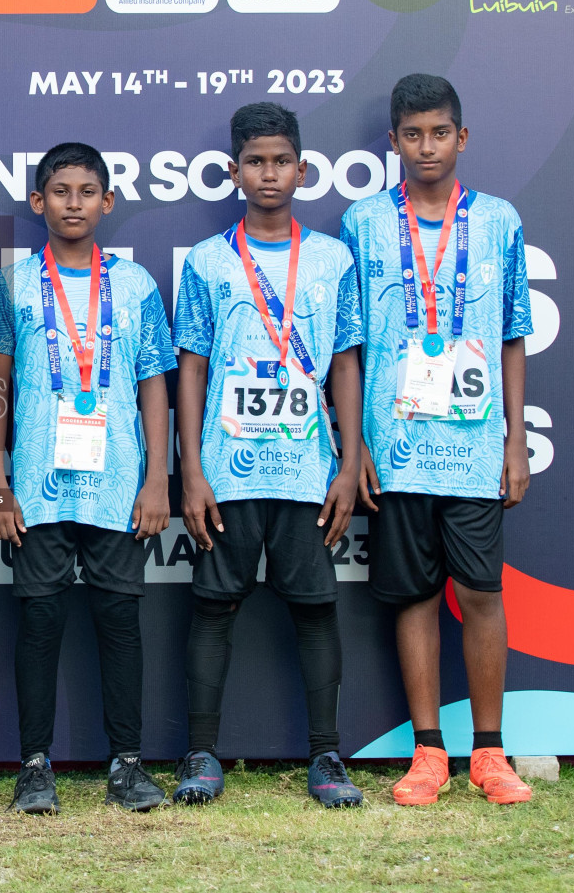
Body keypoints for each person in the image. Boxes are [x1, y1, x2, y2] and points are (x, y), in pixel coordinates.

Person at [341, 74, 534, 805]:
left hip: (475, 446)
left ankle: (491, 754)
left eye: (440, 132)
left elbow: (513, 335)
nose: (427, 146)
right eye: (412, 134)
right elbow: (350, 347)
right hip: (395, 450)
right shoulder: (362, 222)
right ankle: (429, 753)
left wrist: (514, 440)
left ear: (462, 136)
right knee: (414, 598)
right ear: (392, 141)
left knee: (482, 593)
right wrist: (356, 443)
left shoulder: (498, 221)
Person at [173, 103, 366, 808]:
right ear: (233, 172)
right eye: (254, 161)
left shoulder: (332, 258)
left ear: (303, 170)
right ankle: (201, 754)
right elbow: (190, 366)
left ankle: (326, 756)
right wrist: (189, 469)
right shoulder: (207, 261)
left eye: (281, 160)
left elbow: (346, 363)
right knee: (215, 605)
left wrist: (348, 463)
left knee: (315, 607)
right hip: (226, 467)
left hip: (309, 469)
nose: (269, 173)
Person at [0, 142, 177, 814]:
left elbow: (155, 384)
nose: (72, 203)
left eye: (86, 191)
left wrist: (158, 477)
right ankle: (34, 767)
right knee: (39, 623)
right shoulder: (10, 285)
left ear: (107, 202)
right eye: (59, 191)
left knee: (120, 620)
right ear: (38, 201)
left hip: (119, 483)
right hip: (35, 485)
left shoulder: (137, 285)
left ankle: (127, 764)